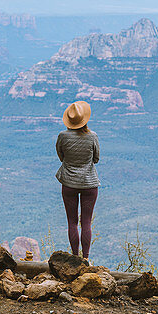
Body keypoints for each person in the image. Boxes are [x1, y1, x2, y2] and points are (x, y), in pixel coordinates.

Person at [55, 100, 100, 260]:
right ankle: (86, 258)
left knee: (72, 222)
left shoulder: (62, 136)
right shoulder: (92, 136)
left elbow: (61, 157)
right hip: (89, 183)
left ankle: (75, 257)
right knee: (86, 222)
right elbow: (96, 158)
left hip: (68, 183)